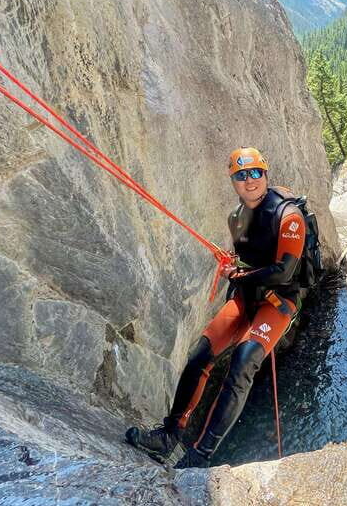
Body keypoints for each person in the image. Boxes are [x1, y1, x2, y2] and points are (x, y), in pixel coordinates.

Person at [125, 147, 306, 468]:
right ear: (233, 181)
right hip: (247, 296)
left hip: (278, 302)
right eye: (241, 175)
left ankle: (199, 457)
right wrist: (231, 266)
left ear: (265, 175)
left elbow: (284, 270)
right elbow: (247, 259)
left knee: (243, 363)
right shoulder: (236, 218)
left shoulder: (288, 216)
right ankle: (168, 436)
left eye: (254, 173)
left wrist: (241, 274)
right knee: (199, 357)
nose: (249, 181)